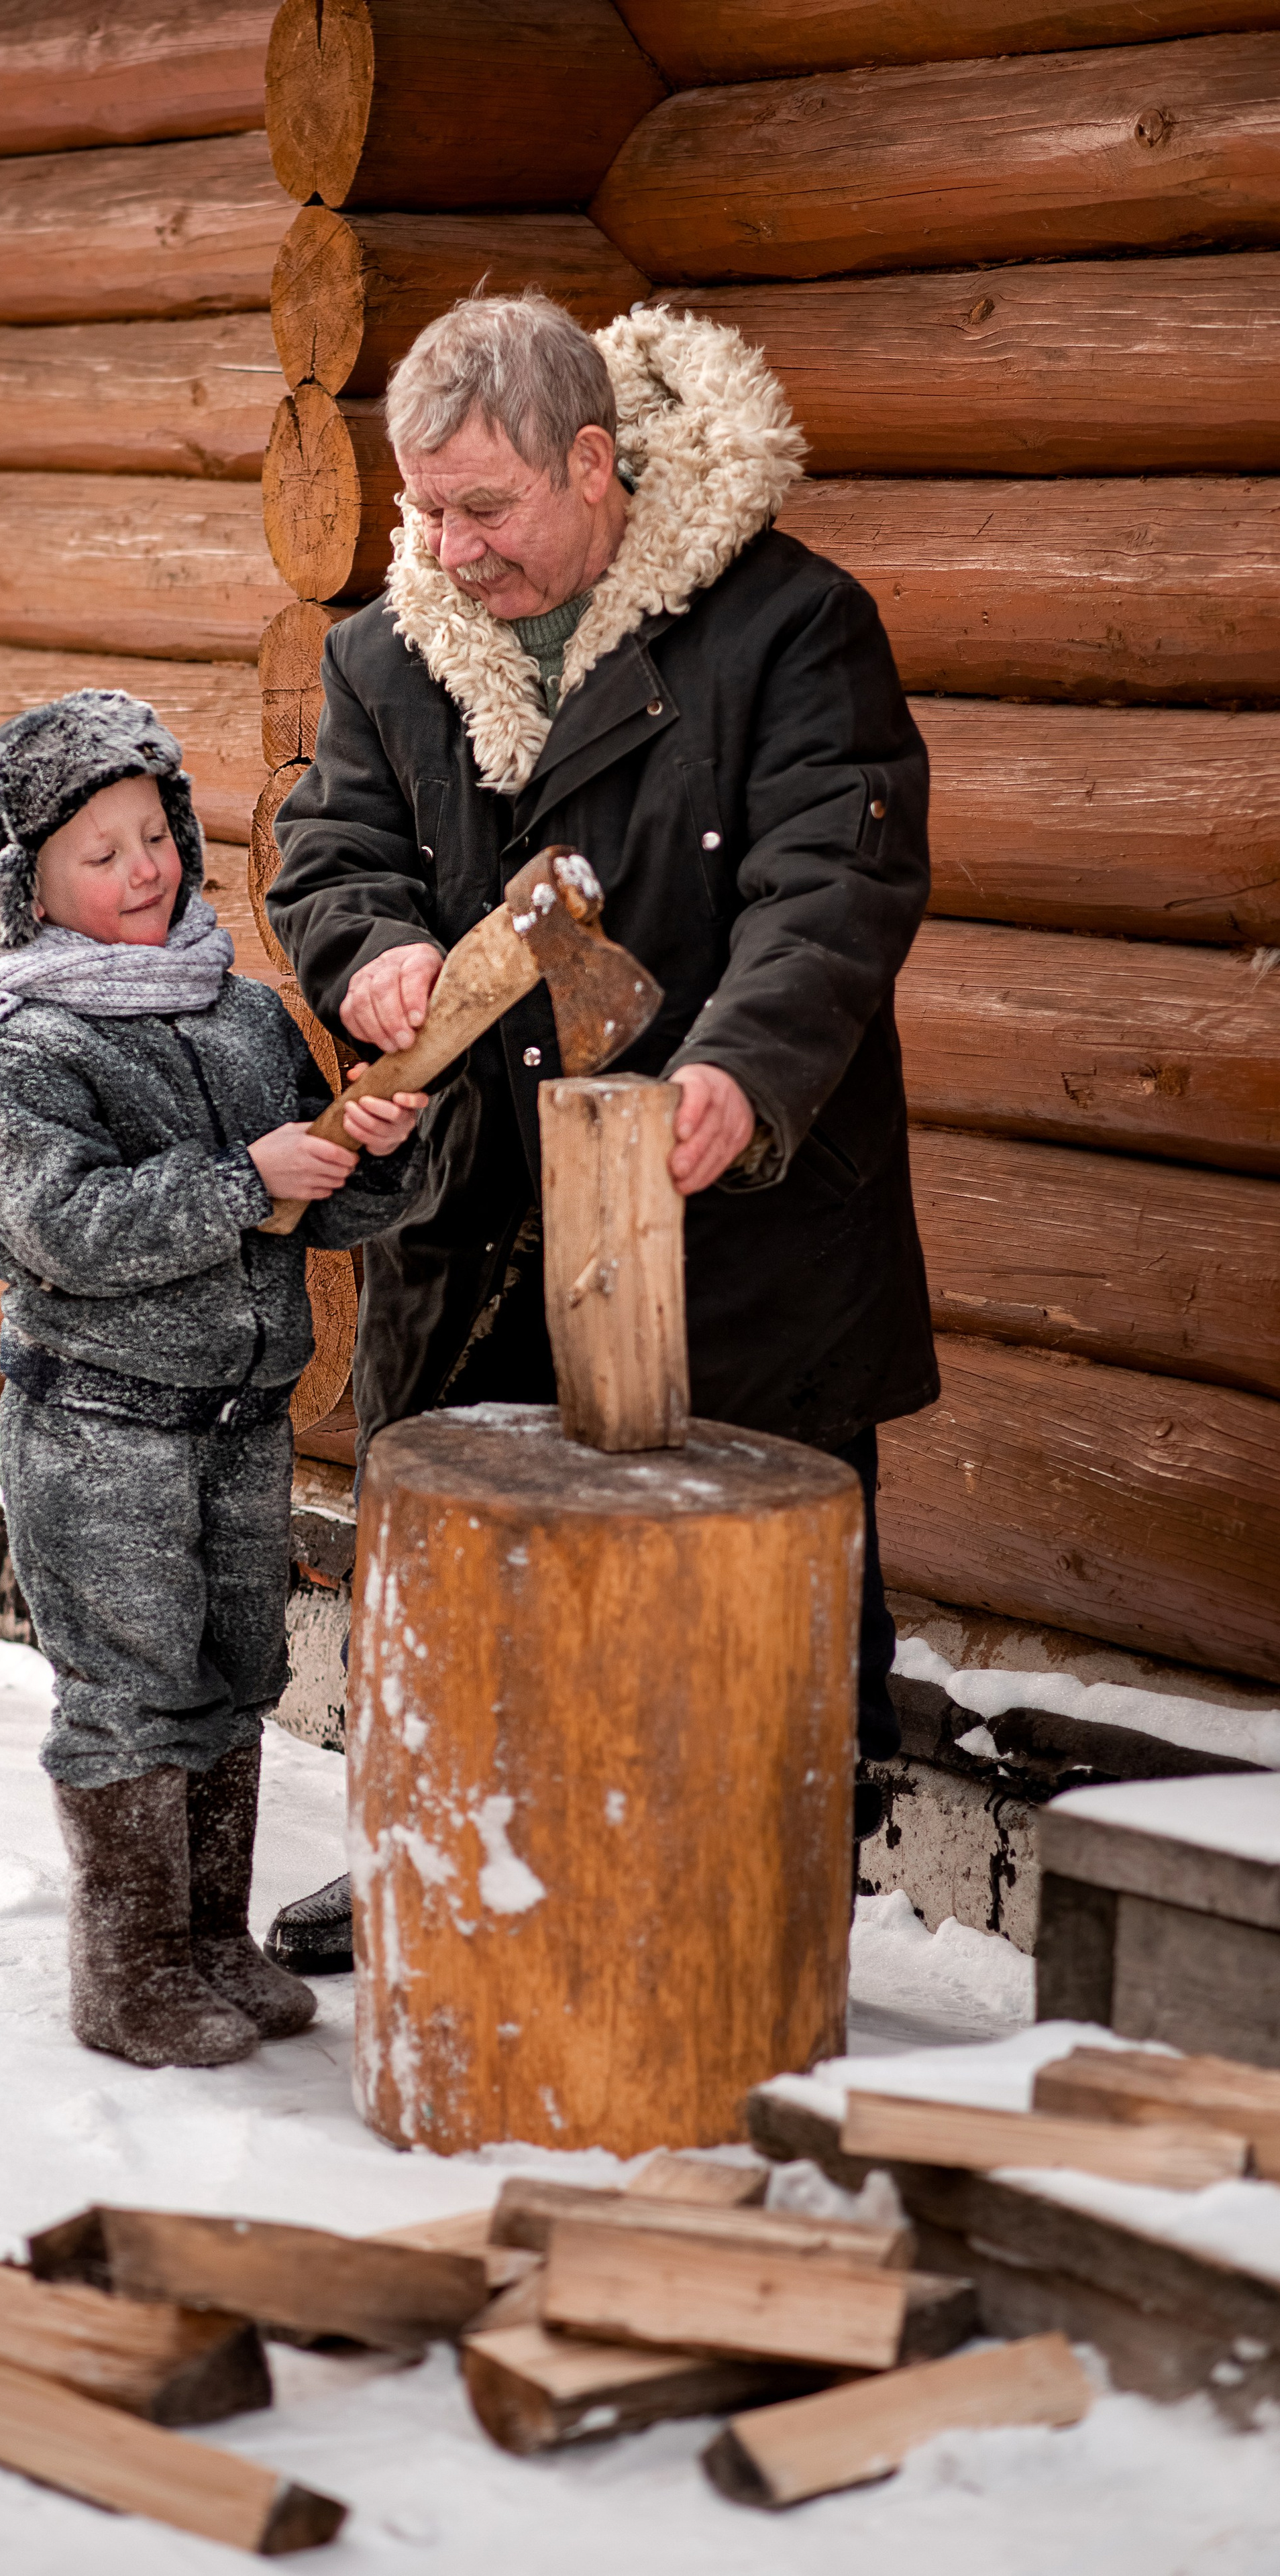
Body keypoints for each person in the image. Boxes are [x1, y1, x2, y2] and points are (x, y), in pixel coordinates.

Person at [262, 296, 939, 1972]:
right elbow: (327, 854)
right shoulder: (380, 653)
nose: (447, 544)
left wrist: (739, 1073)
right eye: (424, 507)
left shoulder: (790, 627)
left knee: (739, 1582)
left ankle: (750, 1901)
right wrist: (374, 954)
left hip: (736, 1215)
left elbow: (829, 880)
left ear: (592, 462)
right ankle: (431, 1849)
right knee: (461, 1563)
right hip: (476, 1209)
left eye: (482, 507)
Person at [0, 689, 427, 2067]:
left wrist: (367, 1144)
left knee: (231, 1668)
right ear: (26, 888)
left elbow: (312, 1202)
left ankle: (212, 1942)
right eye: (99, 854)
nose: (143, 869)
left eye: (154, 835)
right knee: (129, 1688)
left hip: (237, 1423)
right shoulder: (27, 1046)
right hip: (98, 1426)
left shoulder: (240, 1012)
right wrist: (239, 1180)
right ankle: (129, 1971)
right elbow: (66, 1230)